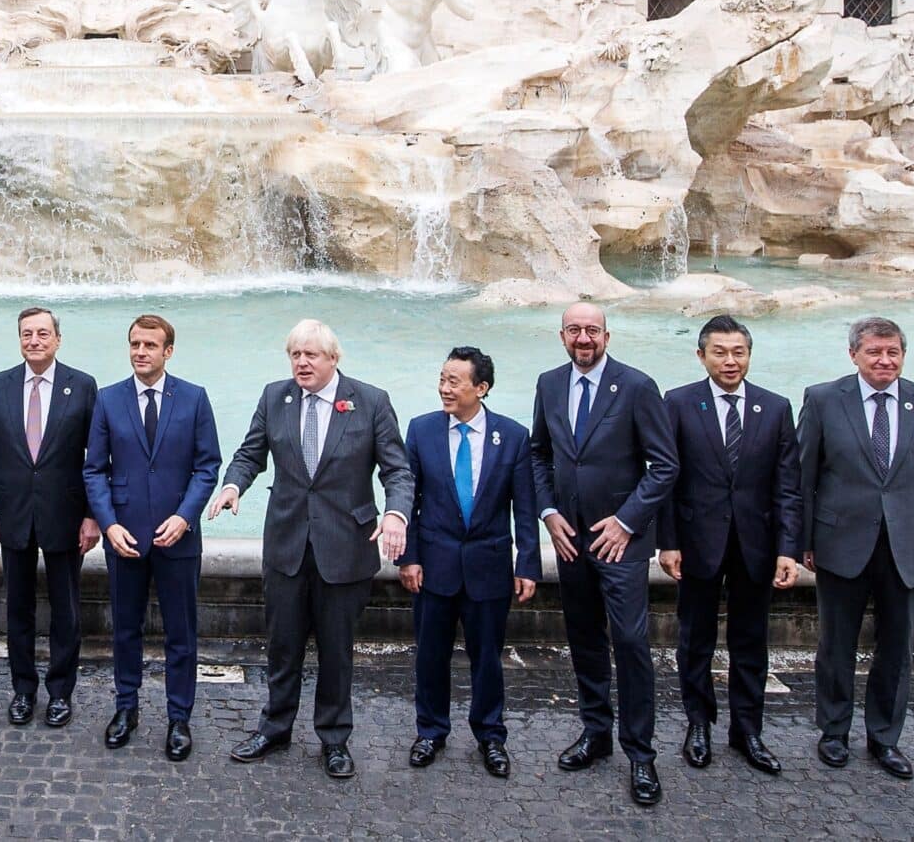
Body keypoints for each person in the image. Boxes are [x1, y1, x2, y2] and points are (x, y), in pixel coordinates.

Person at [210, 320, 412, 781]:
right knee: (282, 647)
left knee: (337, 651)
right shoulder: (273, 397)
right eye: (295, 355)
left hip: (346, 546)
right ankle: (275, 727)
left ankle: (335, 739)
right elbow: (250, 453)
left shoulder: (371, 401)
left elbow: (397, 472)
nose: (301, 363)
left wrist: (396, 514)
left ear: (333, 358)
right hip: (286, 545)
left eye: (311, 356)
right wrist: (233, 484)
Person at [798, 316, 914, 780]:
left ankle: (884, 738)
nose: (884, 360)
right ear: (853, 355)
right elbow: (804, 477)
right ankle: (833, 732)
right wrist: (803, 541)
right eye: (874, 352)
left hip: (910, 549)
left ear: (903, 356)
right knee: (835, 646)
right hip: (839, 544)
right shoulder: (823, 400)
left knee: (898, 649)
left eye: (893, 352)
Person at [529, 301, 677, 807]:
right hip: (570, 539)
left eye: (592, 330)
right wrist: (548, 512)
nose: (584, 338)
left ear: (608, 336)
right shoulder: (549, 383)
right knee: (584, 638)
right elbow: (539, 453)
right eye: (575, 330)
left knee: (632, 644)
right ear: (561, 336)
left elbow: (664, 465)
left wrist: (627, 521)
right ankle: (596, 731)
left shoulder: (636, 387)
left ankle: (641, 753)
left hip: (621, 542)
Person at [656, 315, 802, 776]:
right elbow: (665, 476)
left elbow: (788, 486)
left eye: (738, 351)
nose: (730, 360)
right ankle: (698, 723)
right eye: (720, 351)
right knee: (694, 640)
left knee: (751, 641)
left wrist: (788, 548)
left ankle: (747, 730)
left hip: (755, 544)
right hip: (698, 541)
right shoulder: (678, 403)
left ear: (749, 355)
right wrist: (668, 542)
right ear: (701, 356)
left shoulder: (775, 408)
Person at [83, 314, 222, 762]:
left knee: (181, 633)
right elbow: (94, 470)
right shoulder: (108, 400)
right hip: (124, 535)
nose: (140, 351)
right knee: (126, 630)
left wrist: (185, 517)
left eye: (150, 345)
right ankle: (126, 708)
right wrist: (108, 523)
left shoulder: (195, 399)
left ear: (168, 351)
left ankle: (179, 716)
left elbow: (207, 467)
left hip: (178, 537)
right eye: (134, 344)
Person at [398, 347, 540, 777]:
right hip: (435, 566)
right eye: (442, 378)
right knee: (430, 655)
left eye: (454, 381)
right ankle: (430, 731)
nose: (444, 388)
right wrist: (409, 557)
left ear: (481, 388)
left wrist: (528, 564)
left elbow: (525, 508)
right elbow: (409, 498)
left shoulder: (513, 436)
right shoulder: (421, 430)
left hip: (489, 567)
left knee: (488, 658)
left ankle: (491, 735)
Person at [0, 306, 99, 729]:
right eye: (27, 334)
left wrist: (92, 516)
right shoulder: (0, 384)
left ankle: (61, 692)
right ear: (19, 339)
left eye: (42, 333)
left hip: (65, 514)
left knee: (66, 609)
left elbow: (95, 459)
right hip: (12, 513)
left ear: (57, 339)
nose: (34, 340)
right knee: (19, 608)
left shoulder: (82, 386)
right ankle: (23, 689)